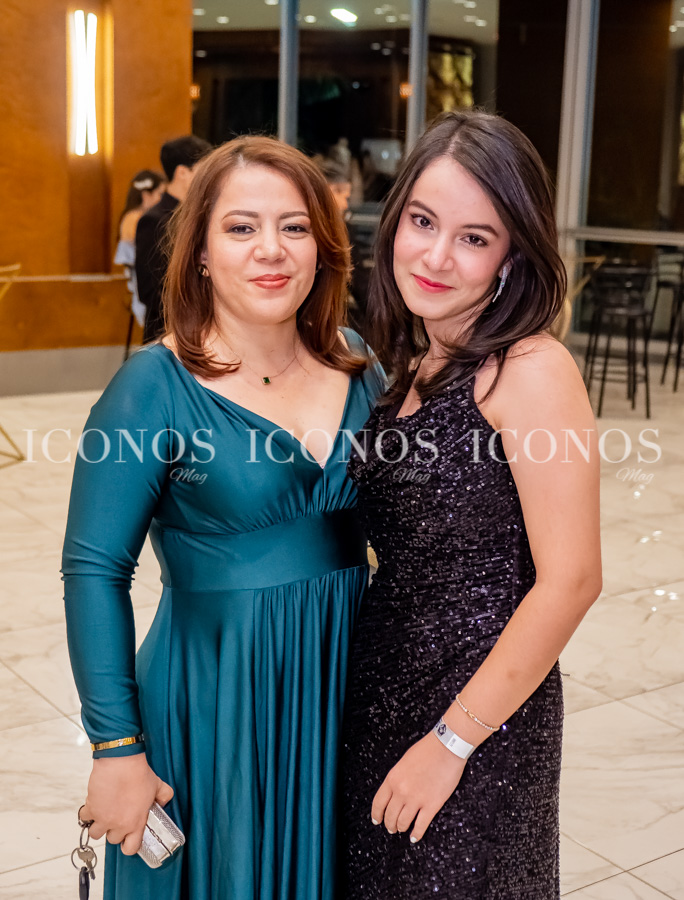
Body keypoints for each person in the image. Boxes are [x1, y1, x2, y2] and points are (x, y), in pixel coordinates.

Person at [62, 136, 385, 899]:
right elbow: (94, 570)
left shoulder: (358, 363)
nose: (271, 249)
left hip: (346, 687)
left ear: (322, 246)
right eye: (242, 227)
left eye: (294, 227)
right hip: (216, 698)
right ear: (201, 251)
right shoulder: (153, 385)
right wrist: (115, 746)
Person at [340, 109, 602, 898]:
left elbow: (572, 580)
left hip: (482, 711)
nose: (436, 256)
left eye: (474, 237)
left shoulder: (530, 368)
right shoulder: (410, 361)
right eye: (422, 221)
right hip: (383, 687)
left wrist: (453, 741)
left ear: (511, 255)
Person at [136, 135, 211, 344]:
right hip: (169, 334)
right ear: (182, 173)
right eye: (203, 170)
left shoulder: (202, 215)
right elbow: (151, 292)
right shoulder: (154, 220)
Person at [113, 170, 166, 338]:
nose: (163, 199)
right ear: (146, 195)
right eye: (160, 194)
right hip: (145, 283)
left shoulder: (137, 217)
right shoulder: (137, 219)